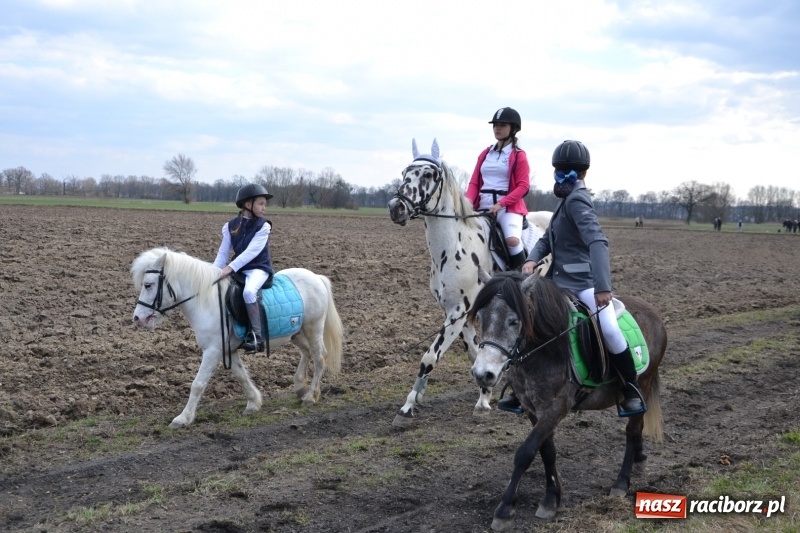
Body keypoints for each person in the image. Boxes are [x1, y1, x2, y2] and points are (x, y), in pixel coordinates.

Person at [497, 140, 646, 417]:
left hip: (584, 285)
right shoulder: (565, 202)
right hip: (556, 284)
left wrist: (603, 287)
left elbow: (598, 242)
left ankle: (630, 388)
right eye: (559, 169)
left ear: (582, 174)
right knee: (528, 324)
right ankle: (519, 389)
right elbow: (547, 239)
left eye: (568, 170)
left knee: (611, 330)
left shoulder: (578, 201)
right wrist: (531, 259)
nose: (561, 174)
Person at [465, 107, 531, 270]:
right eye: (495, 125)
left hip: (508, 209)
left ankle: (522, 279)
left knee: (512, 241)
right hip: (483, 206)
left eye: (502, 125)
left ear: (513, 129)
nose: (497, 128)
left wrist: (501, 203)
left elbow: (523, 186)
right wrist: (466, 202)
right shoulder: (485, 154)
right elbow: (474, 183)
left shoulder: (518, 155)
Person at [213, 183, 275, 352]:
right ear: (248, 205)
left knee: (249, 292)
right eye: (261, 203)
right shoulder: (229, 226)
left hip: (258, 268)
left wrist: (228, 269)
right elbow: (222, 253)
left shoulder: (264, 226)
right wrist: (213, 272)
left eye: (264, 204)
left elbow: (250, 253)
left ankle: (257, 337)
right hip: (239, 270)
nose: (264, 208)